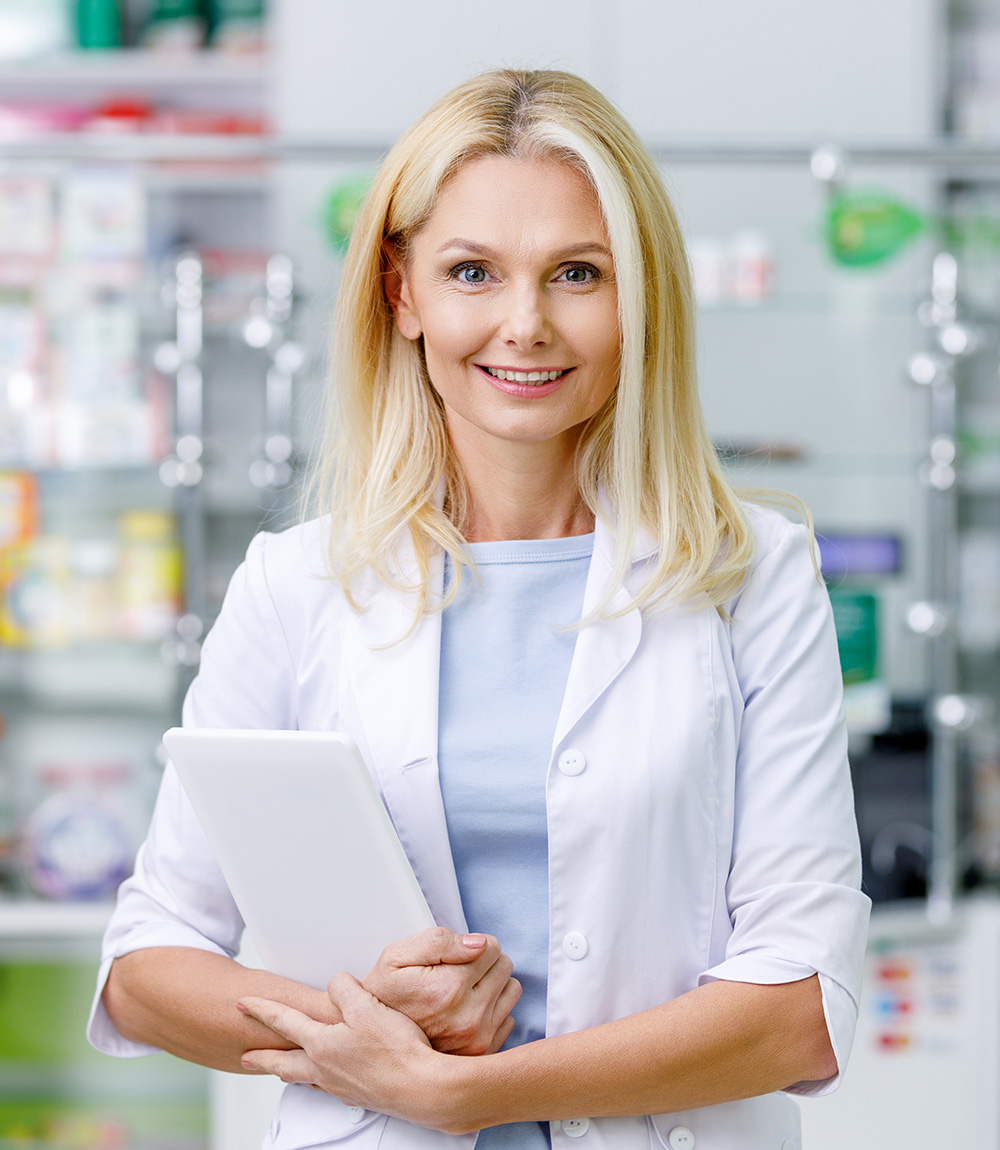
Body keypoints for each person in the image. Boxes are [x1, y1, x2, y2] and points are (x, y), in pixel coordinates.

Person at [88, 69, 871, 1149]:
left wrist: (469, 1092)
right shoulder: (297, 584)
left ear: (640, 296)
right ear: (402, 295)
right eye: (472, 272)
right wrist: (361, 1028)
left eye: (577, 274)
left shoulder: (753, 576)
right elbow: (144, 969)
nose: (525, 324)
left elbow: (801, 1009)